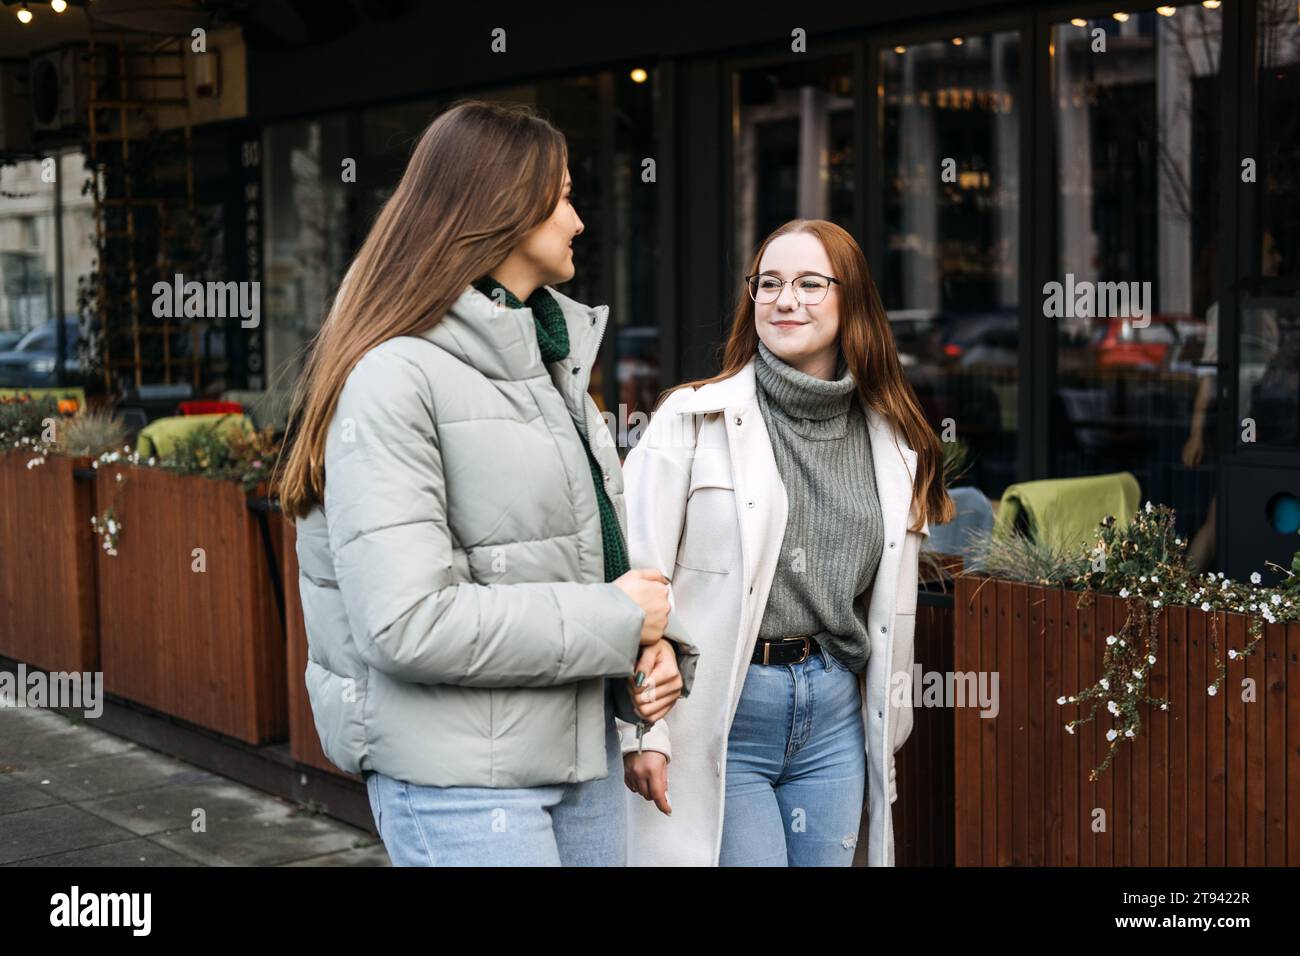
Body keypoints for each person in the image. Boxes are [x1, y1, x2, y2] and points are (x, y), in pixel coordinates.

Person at [275, 100, 697, 866]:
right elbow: (406, 621)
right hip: (462, 782)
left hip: (577, 759)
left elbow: (577, 562)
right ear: (504, 205)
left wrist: (647, 650)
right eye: (564, 195)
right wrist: (614, 619)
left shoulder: (549, 360)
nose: (578, 220)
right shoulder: (395, 377)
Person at [619, 218, 951, 866]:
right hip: (725, 710)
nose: (784, 299)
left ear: (850, 300)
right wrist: (643, 729)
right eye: (768, 283)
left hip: (833, 715)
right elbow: (635, 575)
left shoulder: (894, 439)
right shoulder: (691, 420)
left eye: (808, 283)